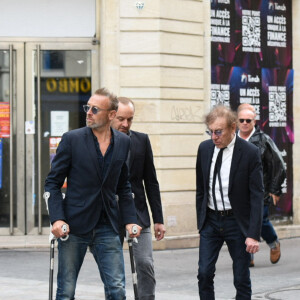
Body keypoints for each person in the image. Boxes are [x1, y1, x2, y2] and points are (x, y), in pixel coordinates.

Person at [44, 88, 141, 300]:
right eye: (87, 107)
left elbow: (123, 186)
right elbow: (52, 183)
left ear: (111, 115)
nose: (88, 112)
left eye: (95, 109)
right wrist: (57, 219)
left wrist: (130, 220)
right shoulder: (72, 139)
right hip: (74, 224)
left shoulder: (123, 142)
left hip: (107, 224)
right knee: (66, 290)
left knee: (116, 289)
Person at [196, 105, 264, 300]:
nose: (214, 137)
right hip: (211, 220)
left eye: (218, 132)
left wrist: (253, 234)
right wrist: (201, 224)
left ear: (233, 128)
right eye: (210, 132)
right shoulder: (205, 148)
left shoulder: (250, 152)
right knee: (204, 273)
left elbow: (257, 196)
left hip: (237, 222)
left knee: (241, 276)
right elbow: (201, 189)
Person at [111, 97, 166, 300]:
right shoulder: (100, 142)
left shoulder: (141, 140)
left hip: (138, 213)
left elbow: (151, 182)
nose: (125, 124)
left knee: (144, 263)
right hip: (110, 214)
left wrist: (158, 219)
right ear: (111, 116)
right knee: (113, 268)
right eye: (121, 119)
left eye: (130, 119)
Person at [237, 103, 286, 267]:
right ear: (237, 121)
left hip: (260, 190)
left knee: (261, 220)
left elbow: (278, 164)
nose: (245, 123)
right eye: (241, 120)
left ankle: (273, 243)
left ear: (254, 121)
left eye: (248, 120)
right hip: (238, 192)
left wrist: (275, 189)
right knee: (242, 222)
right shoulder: (231, 139)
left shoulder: (263, 140)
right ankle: (248, 255)